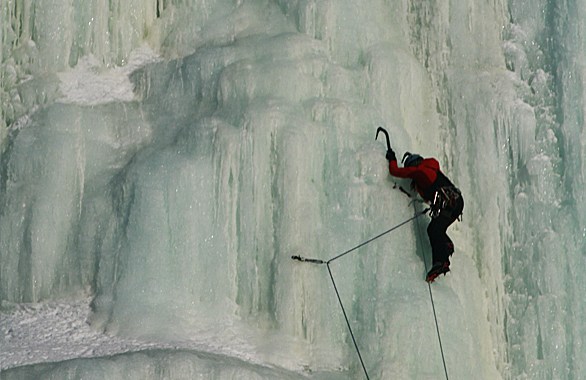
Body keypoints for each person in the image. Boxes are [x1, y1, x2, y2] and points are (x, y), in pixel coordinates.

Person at [386, 148, 464, 282]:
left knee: (434, 230)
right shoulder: (432, 170)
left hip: (450, 205)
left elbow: (395, 171)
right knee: (435, 228)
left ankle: (441, 262)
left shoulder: (420, 171)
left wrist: (392, 158)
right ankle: (446, 245)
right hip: (456, 203)